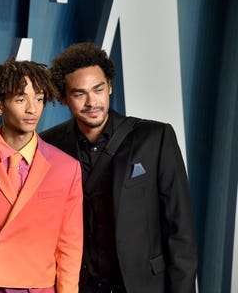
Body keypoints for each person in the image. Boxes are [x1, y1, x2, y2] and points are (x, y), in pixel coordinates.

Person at [40, 42, 198, 293]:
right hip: (79, 286)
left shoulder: (155, 137)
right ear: (63, 98)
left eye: (98, 89)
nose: (92, 101)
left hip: (145, 285)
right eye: (79, 94)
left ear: (110, 87)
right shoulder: (49, 145)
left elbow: (180, 231)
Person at [0, 58, 83, 293]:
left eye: (38, 99)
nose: (32, 108)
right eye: (20, 99)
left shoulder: (66, 167)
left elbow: (70, 247)